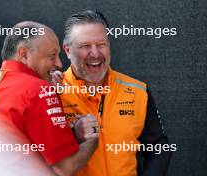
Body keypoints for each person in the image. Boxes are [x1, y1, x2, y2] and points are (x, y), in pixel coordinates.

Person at [52, 10, 172, 176]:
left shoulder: (138, 91)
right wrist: (74, 135)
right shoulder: (50, 92)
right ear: (67, 50)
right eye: (85, 46)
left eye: (101, 44)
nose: (95, 53)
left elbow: (158, 148)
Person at [0, 21, 99, 176]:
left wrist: (72, 133)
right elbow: (65, 167)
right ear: (24, 54)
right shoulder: (37, 89)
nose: (59, 63)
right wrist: (92, 140)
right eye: (52, 56)